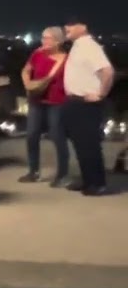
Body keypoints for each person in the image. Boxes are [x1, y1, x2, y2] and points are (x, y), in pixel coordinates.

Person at [60, 17, 113, 197]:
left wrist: (100, 94)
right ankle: (88, 180)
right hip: (75, 102)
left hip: (86, 104)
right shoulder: (78, 46)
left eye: (71, 24)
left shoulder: (90, 46)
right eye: (66, 24)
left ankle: (97, 184)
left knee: (89, 144)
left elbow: (107, 71)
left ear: (83, 27)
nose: (66, 27)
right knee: (81, 145)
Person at [19, 26, 69, 186]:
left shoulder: (66, 59)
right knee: (32, 135)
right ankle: (33, 171)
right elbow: (26, 70)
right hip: (36, 101)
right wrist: (28, 84)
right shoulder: (37, 53)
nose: (43, 41)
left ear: (58, 41)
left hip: (56, 102)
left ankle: (62, 174)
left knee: (57, 136)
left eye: (47, 38)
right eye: (43, 37)